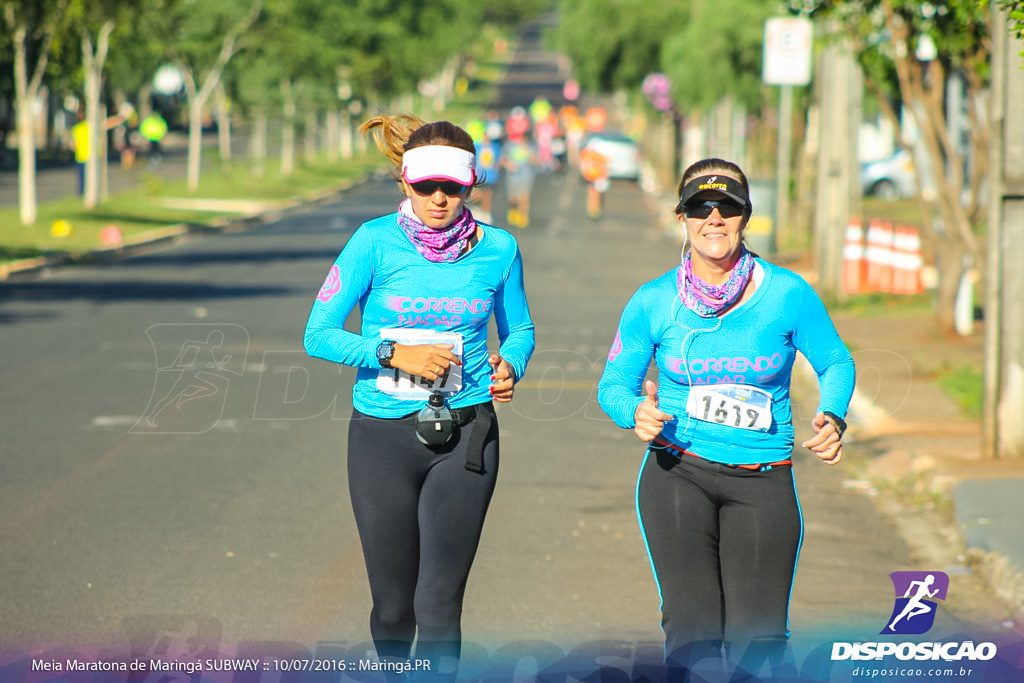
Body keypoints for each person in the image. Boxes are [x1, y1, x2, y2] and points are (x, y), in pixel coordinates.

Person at [597, 158, 855, 679]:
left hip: (763, 481)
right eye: (699, 207)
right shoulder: (654, 300)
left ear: (745, 216)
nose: (713, 218)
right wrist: (635, 413)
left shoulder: (786, 292)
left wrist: (833, 415)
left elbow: (835, 361)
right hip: (678, 473)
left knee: (758, 643)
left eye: (728, 207)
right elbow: (613, 387)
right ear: (683, 217)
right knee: (692, 633)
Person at [304, 114, 535, 680]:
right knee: (392, 607)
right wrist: (391, 353)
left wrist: (512, 365)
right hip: (382, 438)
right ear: (405, 181)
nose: (439, 198)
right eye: (427, 185)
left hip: (467, 432)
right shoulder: (373, 242)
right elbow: (318, 333)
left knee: (437, 606)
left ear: (471, 185)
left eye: (452, 187)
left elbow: (520, 330)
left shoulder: (499, 250)